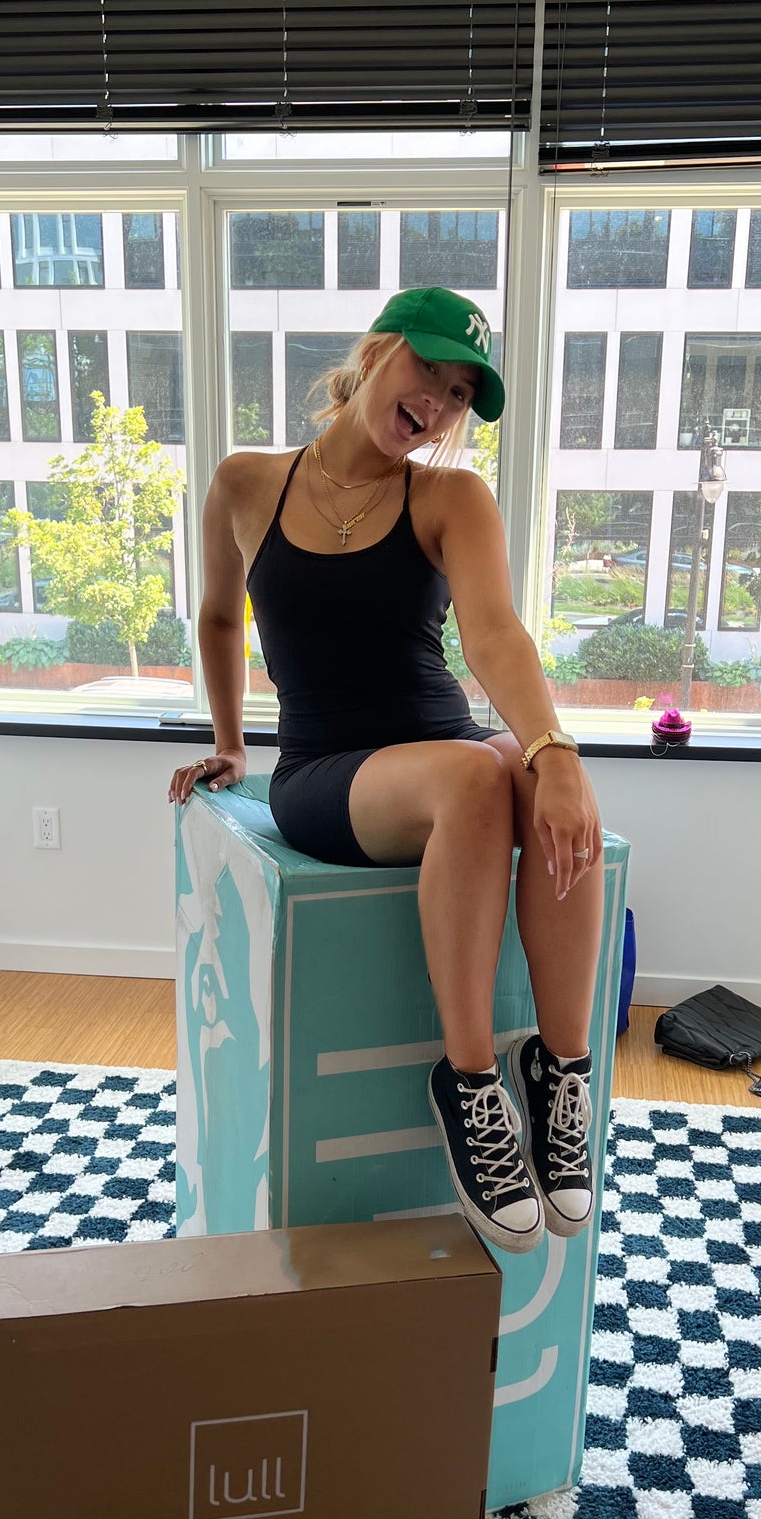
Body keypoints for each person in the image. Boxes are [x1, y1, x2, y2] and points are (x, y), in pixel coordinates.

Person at [167, 286, 606, 1257]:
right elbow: (214, 617)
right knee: (477, 777)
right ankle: (469, 1081)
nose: (439, 406)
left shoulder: (451, 496)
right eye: (431, 374)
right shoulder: (247, 482)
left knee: (540, 779)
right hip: (330, 767)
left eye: (459, 397)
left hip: (442, 743)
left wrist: (556, 749)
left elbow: (492, 630)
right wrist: (233, 742)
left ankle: (562, 1072)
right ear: (376, 352)